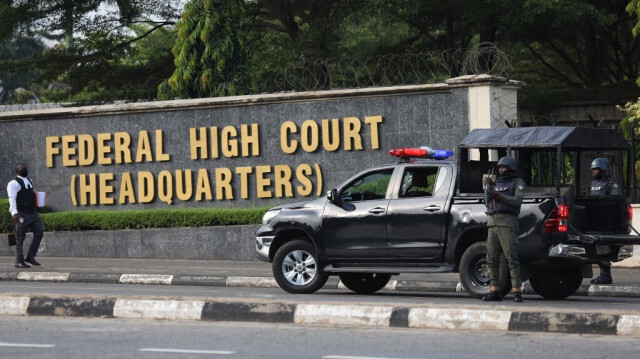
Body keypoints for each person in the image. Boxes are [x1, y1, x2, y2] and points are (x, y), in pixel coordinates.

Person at [482, 156, 526, 302]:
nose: (500, 170)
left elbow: (517, 201)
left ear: (511, 168)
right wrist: (487, 188)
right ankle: (495, 290)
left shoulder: (517, 183)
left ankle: (517, 291)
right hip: (492, 222)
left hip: (507, 223)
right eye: (499, 167)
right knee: (491, 259)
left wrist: (499, 195)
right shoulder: (496, 183)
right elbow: (486, 201)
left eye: (503, 167)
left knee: (511, 258)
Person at [589, 157, 620, 284]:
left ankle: (606, 275)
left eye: (596, 169)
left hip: (607, 220)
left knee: (605, 247)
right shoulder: (594, 184)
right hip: (596, 219)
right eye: (593, 169)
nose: (593, 172)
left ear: (603, 169)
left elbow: (615, 202)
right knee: (597, 247)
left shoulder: (612, 183)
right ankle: (603, 274)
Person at [6, 163, 43, 268]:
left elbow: (31, 194)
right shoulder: (13, 183)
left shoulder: (30, 181)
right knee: (20, 238)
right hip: (21, 213)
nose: (25, 170)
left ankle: (30, 257)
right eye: (23, 169)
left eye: (25, 168)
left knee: (39, 232)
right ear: (18, 171)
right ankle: (19, 260)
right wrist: (14, 212)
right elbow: (12, 198)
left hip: (32, 213)